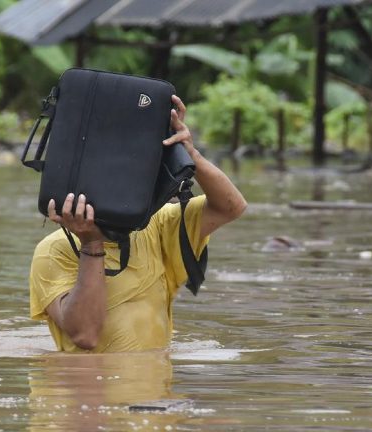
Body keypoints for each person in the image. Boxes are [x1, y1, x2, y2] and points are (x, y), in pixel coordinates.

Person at [28, 95, 247, 353]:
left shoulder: (157, 226)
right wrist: (91, 243)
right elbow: (85, 336)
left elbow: (231, 207)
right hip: (92, 380)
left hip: (155, 379)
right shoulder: (53, 251)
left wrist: (189, 153)